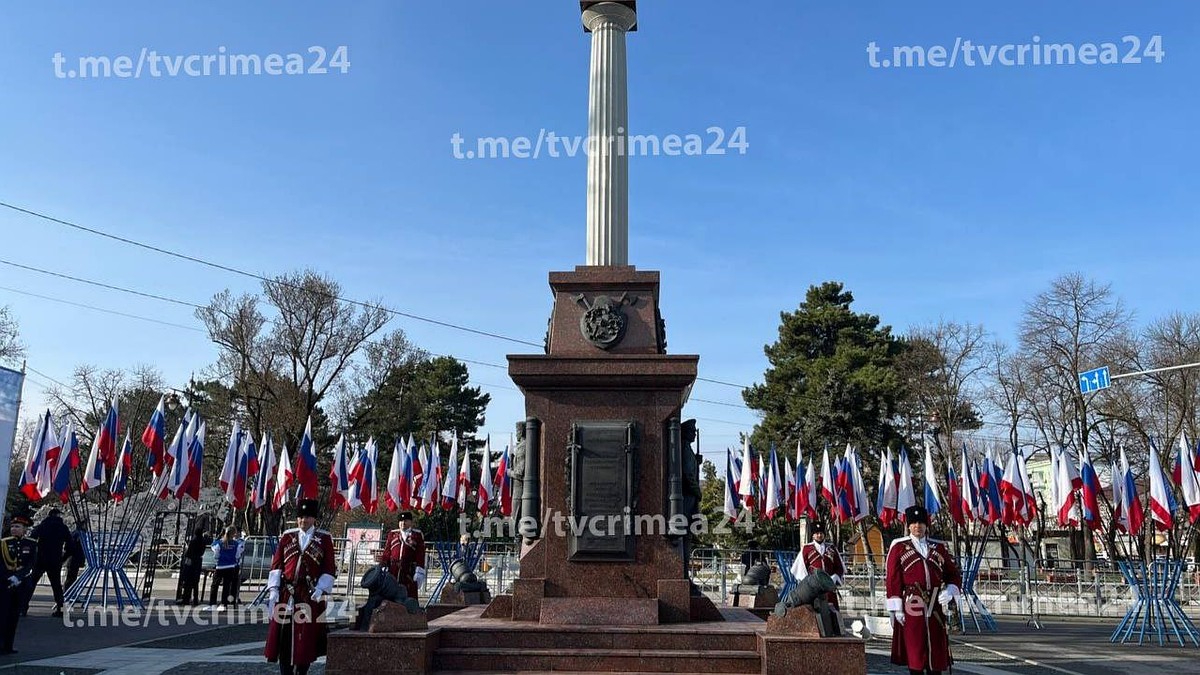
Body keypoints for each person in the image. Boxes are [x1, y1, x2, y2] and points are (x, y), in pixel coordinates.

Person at [886, 505, 962, 675]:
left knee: (936, 649)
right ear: (908, 526)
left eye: (921, 523)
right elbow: (893, 578)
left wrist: (950, 589)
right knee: (916, 649)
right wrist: (896, 608)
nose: (917, 527)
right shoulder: (898, 547)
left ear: (927, 525)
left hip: (935, 602)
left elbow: (953, 574)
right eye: (913, 523)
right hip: (912, 602)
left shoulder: (938, 548)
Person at [264, 499, 336, 675]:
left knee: (306, 639)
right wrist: (273, 589)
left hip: (309, 595)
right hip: (286, 593)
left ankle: (302, 671)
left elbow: (329, 567)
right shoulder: (288, 536)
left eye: (307, 517)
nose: (303, 521)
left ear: (314, 519)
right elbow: (277, 564)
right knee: (284, 637)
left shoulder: (324, 539)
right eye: (301, 517)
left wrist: (321, 588)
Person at [0, 516, 39, 655]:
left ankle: (9, 645)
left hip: (21, 584)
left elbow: (31, 563)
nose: (14, 529)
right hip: (5, 583)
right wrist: (8, 576)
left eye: (17, 527)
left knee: (14, 615)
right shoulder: (4, 543)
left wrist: (19, 576)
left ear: (24, 529)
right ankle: (1, 645)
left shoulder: (31, 544)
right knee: (3, 614)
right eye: (13, 527)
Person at [26, 508, 71, 617]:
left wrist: (33, 555)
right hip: (55, 560)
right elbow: (70, 545)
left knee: (31, 584)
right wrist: (63, 558)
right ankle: (61, 609)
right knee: (56, 586)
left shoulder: (42, 525)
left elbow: (31, 539)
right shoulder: (63, 528)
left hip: (41, 558)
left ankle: (23, 607)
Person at [790, 521, 845, 608]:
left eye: (821, 533)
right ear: (813, 535)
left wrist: (835, 576)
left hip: (829, 587)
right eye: (817, 533)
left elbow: (840, 567)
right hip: (814, 588)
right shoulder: (806, 549)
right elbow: (800, 568)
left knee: (832, 612)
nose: (819, 535)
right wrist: (807, 584)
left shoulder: (831, 548)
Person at [378, 512, 426, 601]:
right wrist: (383, 564)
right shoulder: (393, 534)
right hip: (393, 571)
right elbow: (387, 551)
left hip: (409, 571)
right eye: (400, 521)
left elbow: (420, 554)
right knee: (390, 595)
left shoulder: (417, 535)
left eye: (406, 521)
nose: (403, 523)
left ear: (411, 522)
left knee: (409, 596)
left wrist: (419, 570)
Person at [209, 526, 244, 608]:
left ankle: (212, 604)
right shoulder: (236, 544)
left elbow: (216, 554)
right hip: (231, 566)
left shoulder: (220, 543)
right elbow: (237, 555)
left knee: (215, 585)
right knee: (226, 586)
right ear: (234, 534)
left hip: (220, 566)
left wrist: (219, 558)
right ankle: (223, 604)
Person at [178, 527, 209, 606]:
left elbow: (188, 553)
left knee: (188, 582)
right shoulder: (203, 541)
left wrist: (186, 551)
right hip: (198, 562)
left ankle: (186, 599)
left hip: (191, 562)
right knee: (195, 582)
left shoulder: (193, 541)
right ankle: (195, 599)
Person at [63, 524, 86, 592]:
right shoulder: (79, 534)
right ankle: (67, 593)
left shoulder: (75, 533)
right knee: (71, 578)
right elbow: (79, 548)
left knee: (71, 578)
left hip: (72, 559)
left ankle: (67, 593)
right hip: (74, 559)